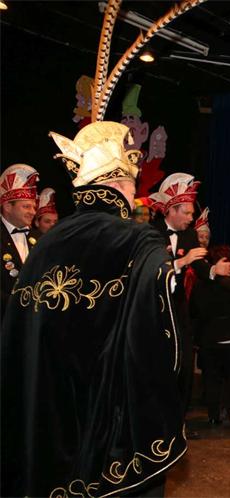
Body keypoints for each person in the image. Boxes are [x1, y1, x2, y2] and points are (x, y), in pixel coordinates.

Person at [1, 121, 185, 496]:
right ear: (118, 185)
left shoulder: (47, 242)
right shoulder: (138, 241)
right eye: (132, 187)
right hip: (109, 422)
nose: (134, 196)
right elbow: (159, 334)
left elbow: (19, 334)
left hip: (49, 415)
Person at [150, 173, 230, 437]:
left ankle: (179, 425)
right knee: (157, 367)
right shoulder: (150, 233)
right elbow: (150, 271)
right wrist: (180, 262)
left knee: (185, 367)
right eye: (186, 213)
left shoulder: (189, 236)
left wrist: (213, 270)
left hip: (178, 310)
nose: (190, 218)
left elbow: (198, 266)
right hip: (155, 311)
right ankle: (154, 426)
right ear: (172, 210)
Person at [191, 244, 230, 426]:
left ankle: (213, 414)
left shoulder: (199, 285)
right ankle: (226, 409)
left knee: (211, 377)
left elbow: (193, 311)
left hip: (208, 340)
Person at [0, 163, 40, 321]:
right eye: (26, 207)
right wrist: (18, 306)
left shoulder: (40, 238)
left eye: (34, 207)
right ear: (8, 206)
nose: (33, 212)